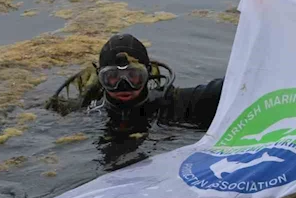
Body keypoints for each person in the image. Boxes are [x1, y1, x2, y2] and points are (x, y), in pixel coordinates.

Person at [46, 33, 224, 134]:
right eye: (112, 77)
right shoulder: (89, 112)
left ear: (148, 73)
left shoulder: (173, 104)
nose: (123, 85)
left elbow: (224, 90)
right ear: (100, 77)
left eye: (133, 76)